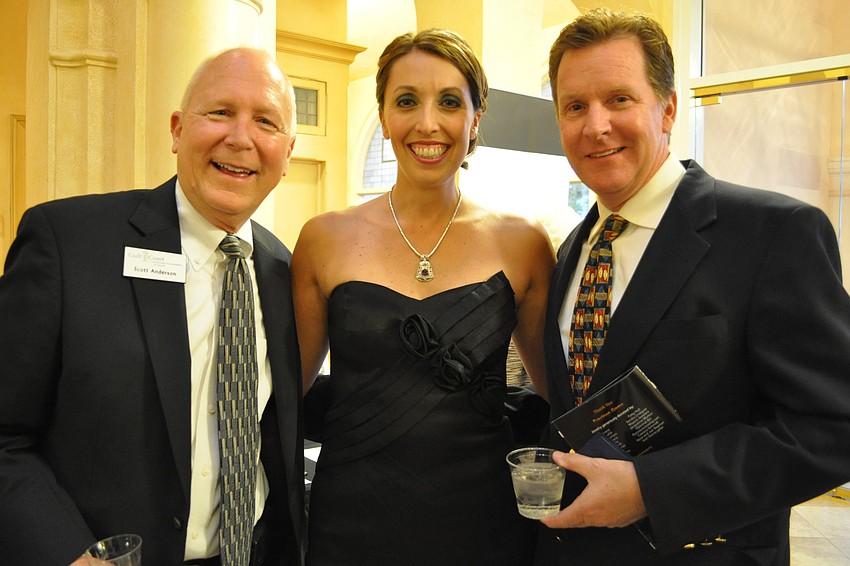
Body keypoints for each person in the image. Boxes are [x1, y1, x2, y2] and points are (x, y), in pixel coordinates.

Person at [535, 8, 850, 566]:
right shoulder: (571, 253)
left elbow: (834, 426)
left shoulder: (770, 234)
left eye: (620, 99)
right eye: (575, 107)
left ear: (668, 108)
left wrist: (654, 489)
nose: (596, 125)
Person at [0, 47, 306, 565]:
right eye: (219, 112)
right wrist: (69, 554)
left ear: (288, 151)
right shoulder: (68, 243)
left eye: (265, 121)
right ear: (176, 130)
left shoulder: (283, 269)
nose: (240, 137)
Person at [292, 28, 555, 566]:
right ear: (384, 116)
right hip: (352, 520)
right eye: (407, 101)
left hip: (485, 518)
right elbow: (282, 393)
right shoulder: (324, 238)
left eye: (451, 102)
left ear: (476, 119)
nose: (428, 123)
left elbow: (558, 390)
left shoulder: (523, 241)